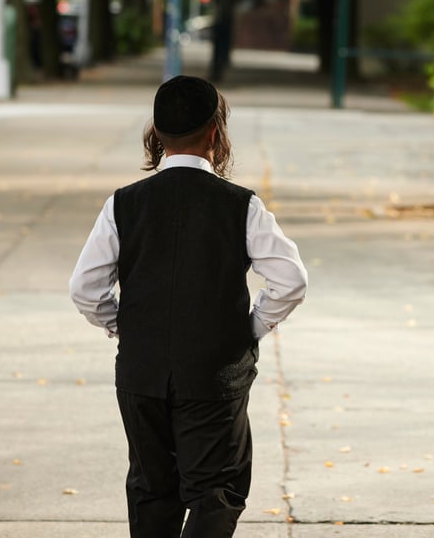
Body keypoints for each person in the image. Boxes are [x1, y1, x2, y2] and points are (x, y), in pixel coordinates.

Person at [68, 75, 308, 538]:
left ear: (156, 134)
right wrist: (251, 327)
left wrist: (124, 327)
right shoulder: (242, 206)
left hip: (142, 373)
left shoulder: (123, 204)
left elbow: (86, 288)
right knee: (216, 490)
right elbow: (290, 280)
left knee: (152, 489)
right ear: (216, 134)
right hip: (215, 375)